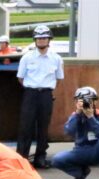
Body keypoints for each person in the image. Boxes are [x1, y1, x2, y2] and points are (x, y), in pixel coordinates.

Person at [16, 25, 64, 170]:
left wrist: (46, 89)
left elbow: (59, 78)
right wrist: (33, 87)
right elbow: (21, 78)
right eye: (38, 38)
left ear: (49, 40)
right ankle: (21, 158)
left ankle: (40, 158)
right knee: (26, 126)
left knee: (43, 127)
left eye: (44, 38)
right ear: (35, 41)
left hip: (46, 95)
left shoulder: (56, 58)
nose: (41, 41)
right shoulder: (27, 57)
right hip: (30, 93)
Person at [52, 87, 99, 179]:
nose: (86, 103)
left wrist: (91, 117)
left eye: (89, 100)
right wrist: (77, 114)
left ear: (94, 102)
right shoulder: (75, 115)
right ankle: (80, 172)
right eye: (82, 100)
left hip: (96, 151)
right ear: (77, 102)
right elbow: (68, 131)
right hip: (80, 151)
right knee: (57, 159)